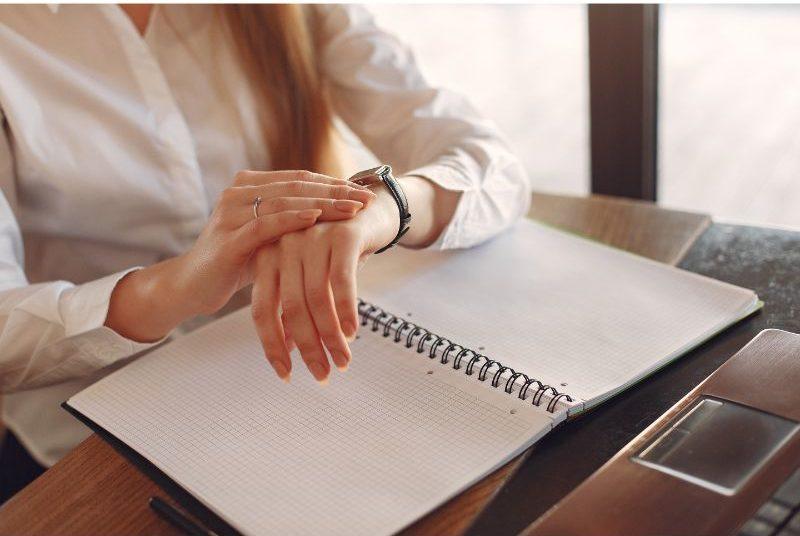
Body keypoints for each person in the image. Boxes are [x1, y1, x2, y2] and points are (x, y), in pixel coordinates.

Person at [0, 4, 529, 500]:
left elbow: (494, 168)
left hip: (301, 398)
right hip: (87, 449)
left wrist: (382, 208)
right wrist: (176, 286)